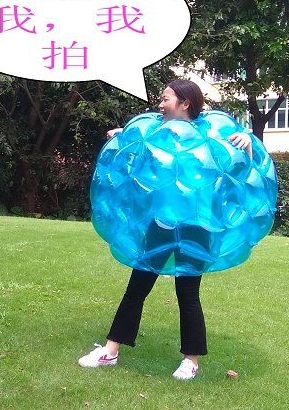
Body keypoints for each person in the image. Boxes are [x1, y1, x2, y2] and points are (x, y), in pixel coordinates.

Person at [78, 79, 252, 380]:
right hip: (159, 224)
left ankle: (191, 361)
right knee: (137, 288)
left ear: (185, 103)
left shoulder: (215, 134)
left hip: (198, 227)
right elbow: (139, 158)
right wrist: (123, 138)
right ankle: (110, 351)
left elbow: (242, 171)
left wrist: (246, 143)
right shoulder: (156, 133)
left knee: (188, 293)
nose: (160, 104)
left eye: (166, 99)